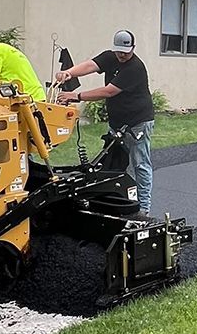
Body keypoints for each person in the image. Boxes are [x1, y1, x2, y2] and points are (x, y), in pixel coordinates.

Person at [56, 29, 156, 214]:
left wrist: (76, 95)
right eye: (119, 51)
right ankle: (115, 203)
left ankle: (143, 208)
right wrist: (68, 73)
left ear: (133, 48)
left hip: (138, 123)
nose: (122, 55)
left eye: (126, 52)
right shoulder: (110, 57)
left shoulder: (135, 68)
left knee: (140, 164)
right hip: (117, 122)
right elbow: (89, 65)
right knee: (112, 164)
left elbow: (108, 91)